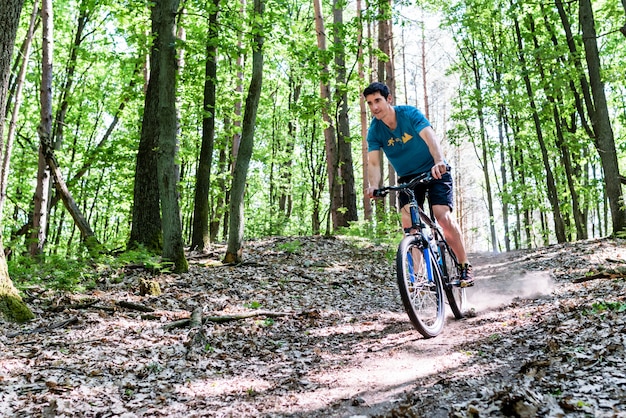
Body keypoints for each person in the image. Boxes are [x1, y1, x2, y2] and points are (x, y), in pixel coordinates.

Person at [363, 82, 474, 287]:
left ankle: (463, 265)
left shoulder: (409, 114)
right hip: (407, 178)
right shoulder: (375, 131)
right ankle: (417, 277)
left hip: (434, 169)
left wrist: (439, 161)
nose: (374, 107)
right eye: (370, 103)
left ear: (388, 99)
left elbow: (430, 137)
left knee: (442, 215)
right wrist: (374, 185)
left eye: (377, 100)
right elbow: (374, 162)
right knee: (409, 222)